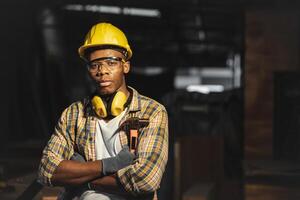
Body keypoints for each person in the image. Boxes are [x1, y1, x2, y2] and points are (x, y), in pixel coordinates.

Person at [37, 22, 168, 200]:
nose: (102, 71)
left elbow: (146, 180)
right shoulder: (74, 114)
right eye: (95, 65)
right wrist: (109, 164)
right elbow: (47, 170)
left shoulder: (152, 112)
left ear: (126, 66)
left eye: (111, 62)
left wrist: (83, 178)